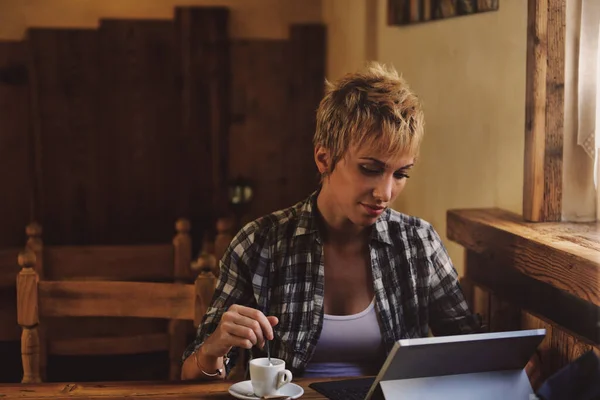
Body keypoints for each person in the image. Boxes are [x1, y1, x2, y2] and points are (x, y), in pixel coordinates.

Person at [181, 62, 481, 381]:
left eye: (401, 173)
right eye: (370, 168)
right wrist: (213, 348)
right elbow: (191, 378)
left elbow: (470, 349)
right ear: (324, 158)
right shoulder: (260, 243)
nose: (386, 192)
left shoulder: (418, 243)